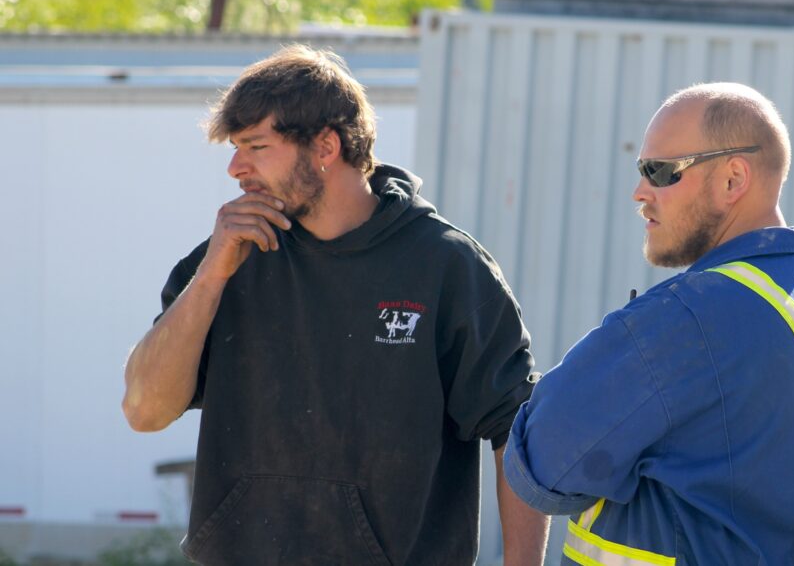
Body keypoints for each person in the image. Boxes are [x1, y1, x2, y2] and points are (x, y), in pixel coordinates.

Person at [122, 45, 549, 565]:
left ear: (325, 145)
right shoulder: (225, 259)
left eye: (255, 146)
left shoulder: (445, 267)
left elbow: (518, 430)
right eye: (235, 148)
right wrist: (211, 276)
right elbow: (144, 410)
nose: (236, 168)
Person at [503, 83, 794, 564]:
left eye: (661, 172)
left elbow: (544, 455)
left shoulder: (691, 316)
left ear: (732, 179)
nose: (640, 192)